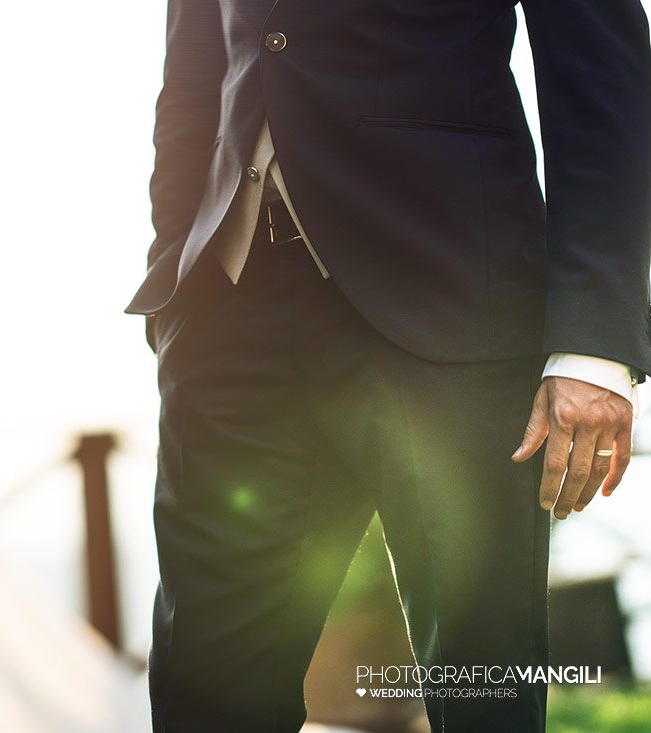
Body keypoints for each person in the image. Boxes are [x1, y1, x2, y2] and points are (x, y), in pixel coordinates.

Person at [127, 2, 651, 732]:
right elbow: (192, 67)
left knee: (484, 693)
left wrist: (596, 341)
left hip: (456, 312)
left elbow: (602, 68)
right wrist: (175, 279)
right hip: (233, 316)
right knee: (207, 694)